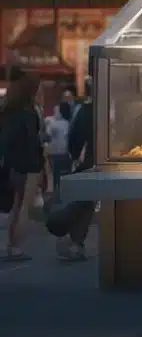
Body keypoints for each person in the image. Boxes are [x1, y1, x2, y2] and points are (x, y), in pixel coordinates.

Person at [1, 71, 46, 260]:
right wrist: (41, 165)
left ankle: (10, 244)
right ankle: (16, 246)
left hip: (12, 165)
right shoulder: (29, 112)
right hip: (29, 165)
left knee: (16, 206)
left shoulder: (8, 111)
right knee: (24, 207)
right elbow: (33, 142)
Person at [54, 85, 94, 262]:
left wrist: (75, 156)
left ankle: (75, 241)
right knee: (85, 202)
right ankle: (73, 240)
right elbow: (76, 137)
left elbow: (74, 137)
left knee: (85, 201)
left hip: (87, 161)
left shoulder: (84, 110)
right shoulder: (91, 111)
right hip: (91, 162)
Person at [44, 102, 72, 198]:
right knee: (64, 174)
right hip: (65, 152)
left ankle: (56, 194)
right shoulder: (68, 123)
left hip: (54, 153)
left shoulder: (54, 124)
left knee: (55, 175)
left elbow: (47, 136)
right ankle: (64, 193)